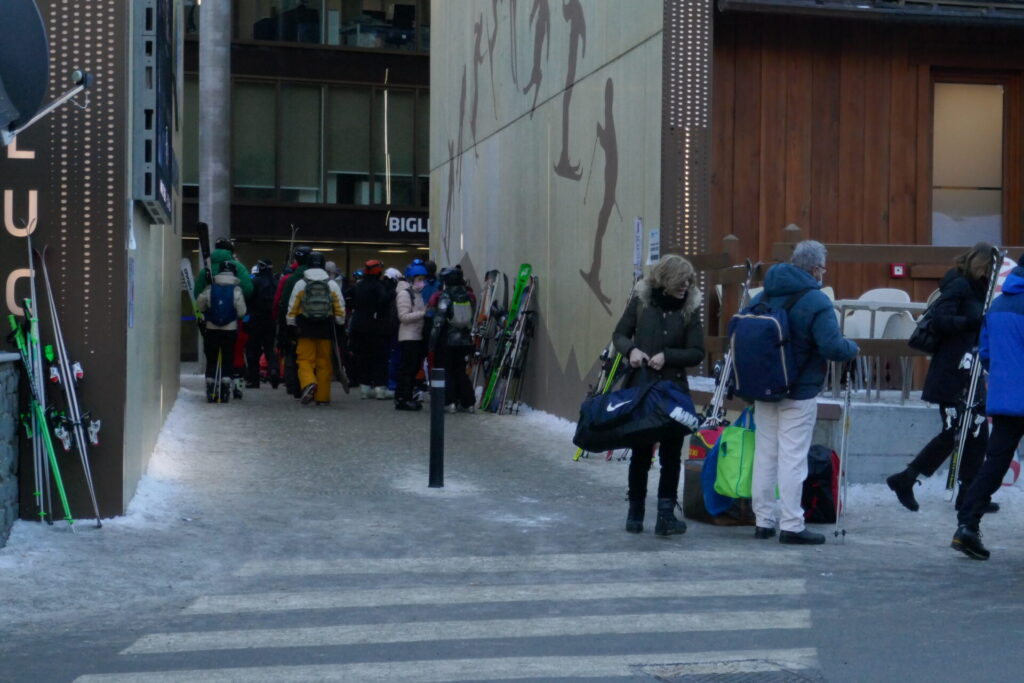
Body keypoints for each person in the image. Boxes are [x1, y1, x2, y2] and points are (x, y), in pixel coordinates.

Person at [749, 240, 859, 545]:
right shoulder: (817, 300)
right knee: (793, 457)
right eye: (822, 268)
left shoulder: (765, 292)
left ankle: (762, 520)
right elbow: (832, 347)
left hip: (764, 388)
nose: (823, 273)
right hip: (799, 391)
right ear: (814, 269)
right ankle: (792, 525)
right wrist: (853, 348)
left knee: (766, 455)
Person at [886, 243, 996, 512]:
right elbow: (940, 320)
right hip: (951, 371)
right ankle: (906, 478)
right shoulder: (959, 285)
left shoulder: (976, 286)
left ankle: (969, 495)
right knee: (955, 430)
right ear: (983, 265)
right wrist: (973, 322)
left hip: (969, 368)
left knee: (977, 431)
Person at [612, 254, 704, 536]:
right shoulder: (641, 303)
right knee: (641, 452)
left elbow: (697, 352)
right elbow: (619, 336)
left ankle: (665, 515)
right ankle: (635, 513)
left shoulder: (689, 310)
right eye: (681, 280)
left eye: (688, 280)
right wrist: (632, 351)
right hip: (642, 388)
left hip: (673, 391)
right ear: (665, 280)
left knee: (671, 454)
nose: (686, 285)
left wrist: (668, 356)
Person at [951, 262, 1024, 560]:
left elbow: (986, 352)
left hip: (1006, 399)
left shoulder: (996, 305)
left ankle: (967, 526)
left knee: (994, 466)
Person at [287, 252, 346, 405]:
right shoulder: (331, 283)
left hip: (305, 327)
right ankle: (322, 396)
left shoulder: (301, 283)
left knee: (305, 359)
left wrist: (291, 323)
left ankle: (308, 382)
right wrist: (340, 321)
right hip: (326, 327)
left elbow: (293, 306)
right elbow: (339, 307)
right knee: (324, 362)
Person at [428, 266, 478, 413]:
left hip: (447, 341)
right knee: (460, 370)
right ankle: (468, 402)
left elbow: (438, 321)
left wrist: (432, 342)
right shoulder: (469, 296)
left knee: (446, 371)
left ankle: (449, 402)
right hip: (464, 341)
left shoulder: (445, 296)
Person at [196, 261, 247, 403]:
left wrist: (208, 312)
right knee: (227, 359)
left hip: (212, 329)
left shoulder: (211, 287)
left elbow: (200, 304)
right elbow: (242, 311)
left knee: (212, 360)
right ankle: (225, 387)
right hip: (229, 330)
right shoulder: (236, 290)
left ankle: (211, 386)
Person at [349, 259, 394, 399]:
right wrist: (393, 292)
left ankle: (365, 387)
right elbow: (383, 302)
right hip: (376, 327)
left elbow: (348, 298)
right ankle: (380, 388)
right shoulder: (379, 286)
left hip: (358, 326)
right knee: (379, 358)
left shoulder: (358, 286)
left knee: (363, 358)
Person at [274, 245, 314, 397]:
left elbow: (281, 302)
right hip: (316, 323)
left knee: (292, 353)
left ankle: (293, 385)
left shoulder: (289, 279)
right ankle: (312, 383)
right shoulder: (321, 277)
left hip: (294, 322)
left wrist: (282, 323)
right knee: (313, 355)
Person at [395, 262, 430, 410]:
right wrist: (424, 313)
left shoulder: (417, 294)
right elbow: (403, 317)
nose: (421, 282)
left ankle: (405, 396)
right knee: (407, 369)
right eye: (418, 279)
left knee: (413, 368)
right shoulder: (405, 294)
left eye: (423, 279)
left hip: (417, 336)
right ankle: (404, 398)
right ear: (411, 279)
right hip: (408, 337)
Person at [245, 259, 280, 389]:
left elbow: (247, 298)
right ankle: (274, 370)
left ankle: (253, 380)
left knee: (253, 350)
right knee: (270, 349)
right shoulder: (275, 282)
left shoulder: (254, 282)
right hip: (270, 321)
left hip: (255, 321)